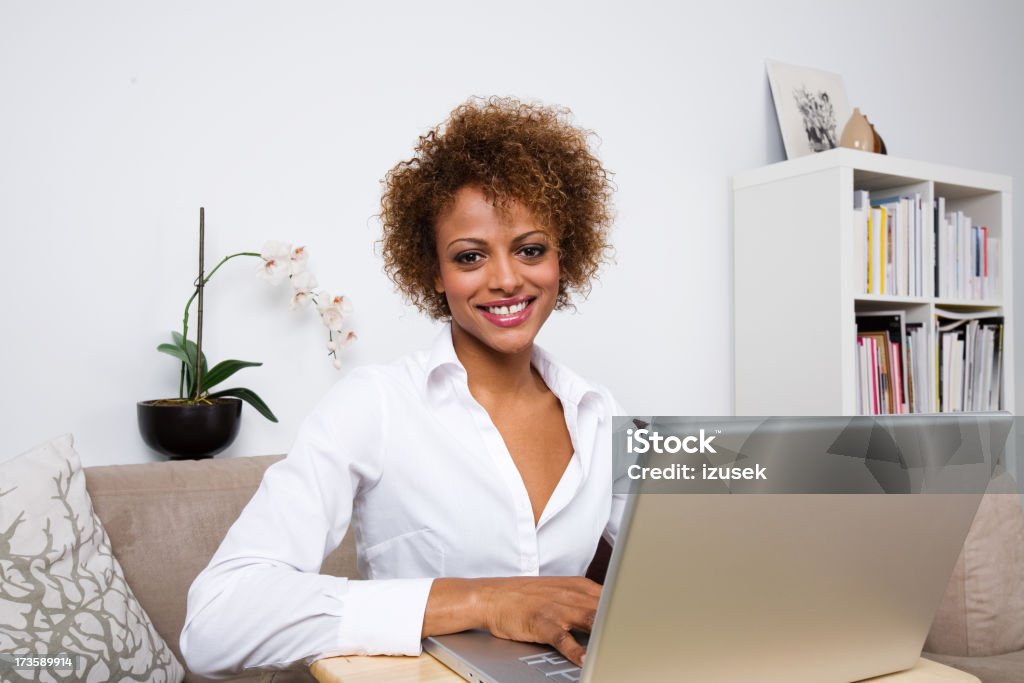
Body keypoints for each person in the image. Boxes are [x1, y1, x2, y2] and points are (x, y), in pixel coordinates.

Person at [180, 96, 623, 678]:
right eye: (470, 257)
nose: (507, 278)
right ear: (434, 272)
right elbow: (214, 624)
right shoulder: (375, 406)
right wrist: (482, 599)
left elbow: (692, 562)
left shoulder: (600, 415)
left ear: (564, 255)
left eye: (531, 249)